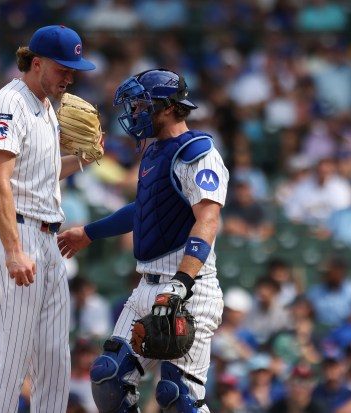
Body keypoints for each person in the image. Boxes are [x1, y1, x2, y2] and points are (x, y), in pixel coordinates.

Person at [58, 68, 229, 412]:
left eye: (140, 105)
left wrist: (182, 283)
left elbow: (208, 220)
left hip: (188, 291)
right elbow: (144, 209)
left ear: (166, 107)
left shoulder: (197, 151)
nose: (134, 113)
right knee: (109, 377)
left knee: (177, 396)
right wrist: (89, 232)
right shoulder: (154, 153)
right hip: (146, 287)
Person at [0, 25, 96, 413]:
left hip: (47, 238)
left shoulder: (46, 105)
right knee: (9, 361)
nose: (70, 76)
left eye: (72, 69)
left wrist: (82, 158)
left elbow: (40, 173)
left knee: (54, 360)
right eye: (63, 68)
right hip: (18, 233)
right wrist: (13, 250)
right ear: (37, 62)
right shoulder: (9, 104)